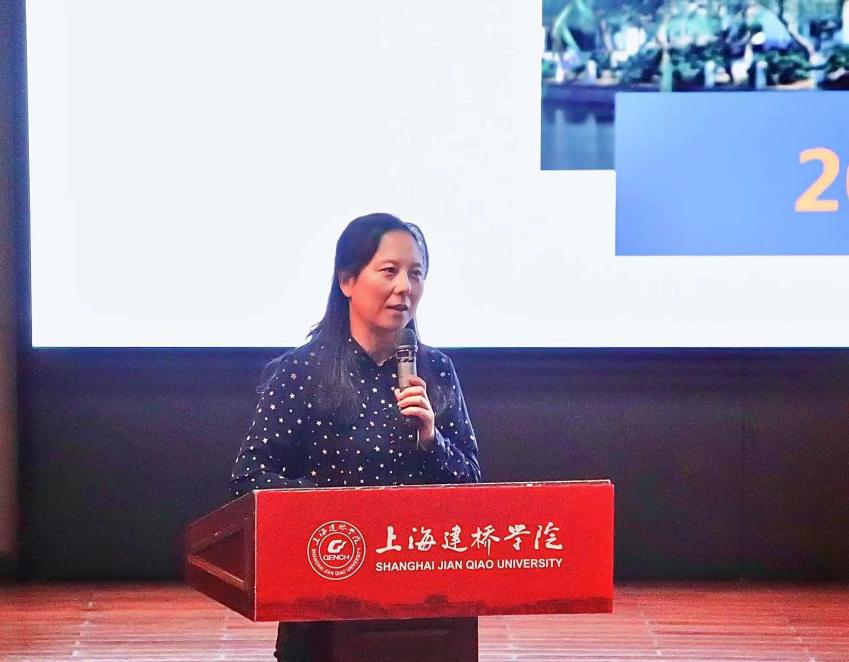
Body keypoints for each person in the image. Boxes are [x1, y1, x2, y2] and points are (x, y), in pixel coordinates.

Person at [229, 212, 481, 661]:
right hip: (327, 597)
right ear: (347, 280)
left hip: (426, 609)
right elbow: (250, 477)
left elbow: (474, 487)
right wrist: (337, 510)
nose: (405, 287)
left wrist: (432, 441)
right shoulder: (301, 372)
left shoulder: (436, 370)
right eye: (389, 271)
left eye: (416, 273)